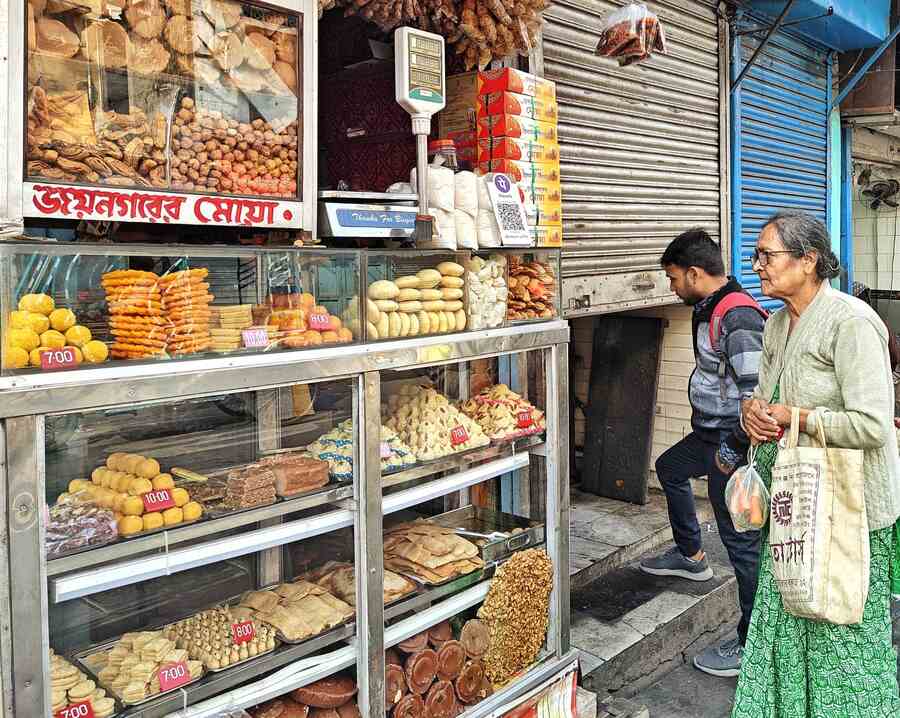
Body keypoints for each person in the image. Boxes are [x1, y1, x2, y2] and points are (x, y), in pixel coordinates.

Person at [732, 210, 900, 717]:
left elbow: (873, 424)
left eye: (767, 255)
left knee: (840, 639)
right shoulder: (779, 322)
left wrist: (795, 416)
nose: (756, 265)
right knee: (789, 622)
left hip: (848, 512)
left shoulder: (850, 322)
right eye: (757, 255)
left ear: (808, 261)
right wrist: (752, 414)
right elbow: (766, 397)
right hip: (795, 508)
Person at [640, 228, 766, 677]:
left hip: (731, 444)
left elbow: (758, 399)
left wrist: (733, 453)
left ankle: (752, 644)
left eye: (674, 279)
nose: (671, 287)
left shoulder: (738, 317)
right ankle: (691, 557)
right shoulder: (707, 309)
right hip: (708, 434)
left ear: (694, 273)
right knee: (669, 468)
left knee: (742, 545)